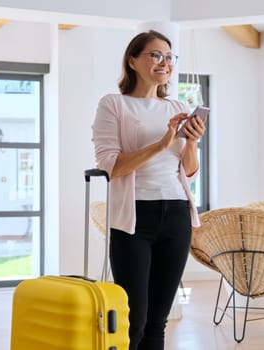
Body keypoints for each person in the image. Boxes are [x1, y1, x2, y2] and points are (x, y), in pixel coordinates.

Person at [92, 29, 205, 350]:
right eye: (155, 55)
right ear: (133, 61)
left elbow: (189, 171)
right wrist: (162, 143)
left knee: (159, 320)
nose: (164, 62)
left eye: (169, 57)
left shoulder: (176, 106)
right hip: (134, 219)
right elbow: (110, 167)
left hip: (176, 214)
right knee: (134, 320)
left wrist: (192, 141)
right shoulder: (114, 104)